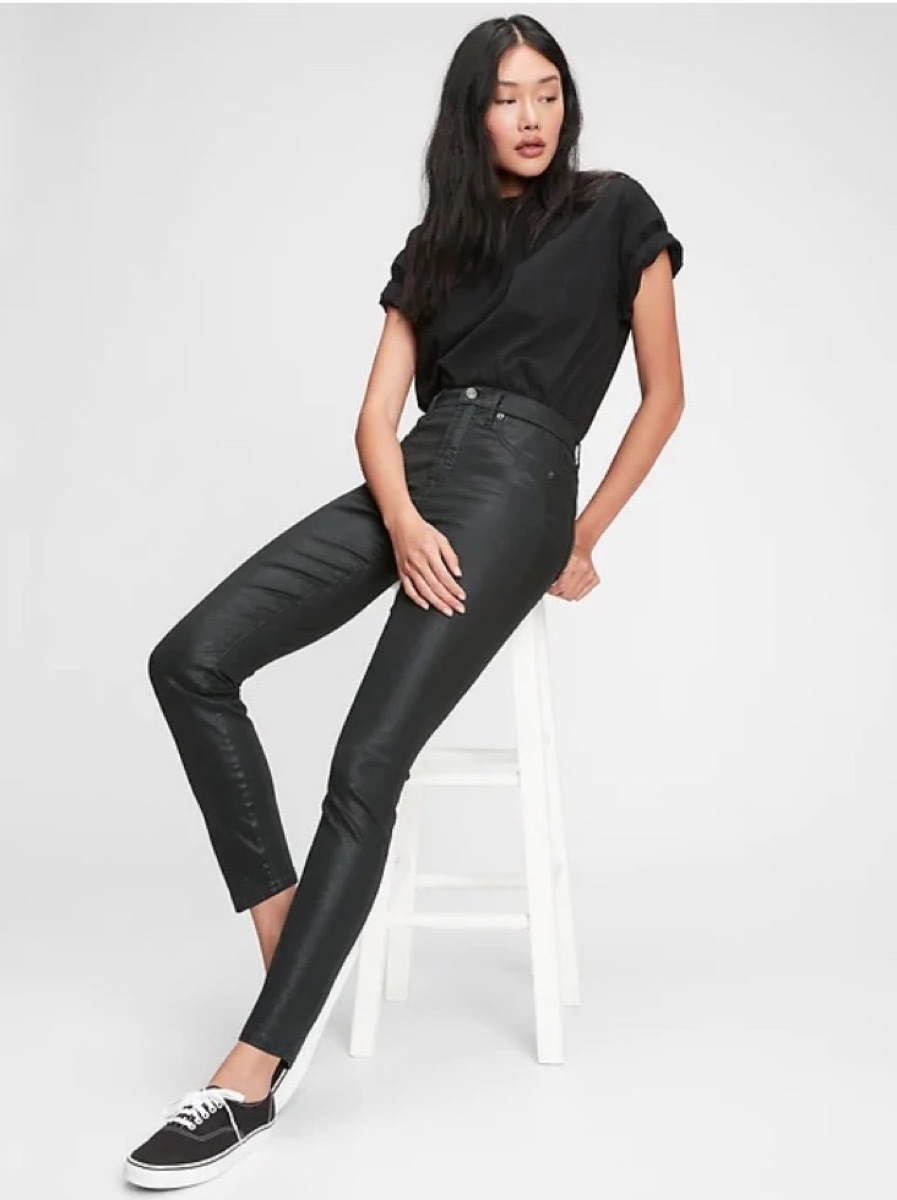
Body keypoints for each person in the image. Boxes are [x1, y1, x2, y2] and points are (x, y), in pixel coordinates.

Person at [123, 12, 685, 1190]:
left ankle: (254, 1070)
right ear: (470, 113)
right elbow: (375, 419)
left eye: (548, 94)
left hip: (523, 482)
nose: (533, 116)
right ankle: (293, 943)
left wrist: (572, 540)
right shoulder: (436, 240)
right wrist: (407, 517)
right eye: (507, 97)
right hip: (417, 474)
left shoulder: (617, 208)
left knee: (365, 754)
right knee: (192, 658)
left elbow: (665, 396)